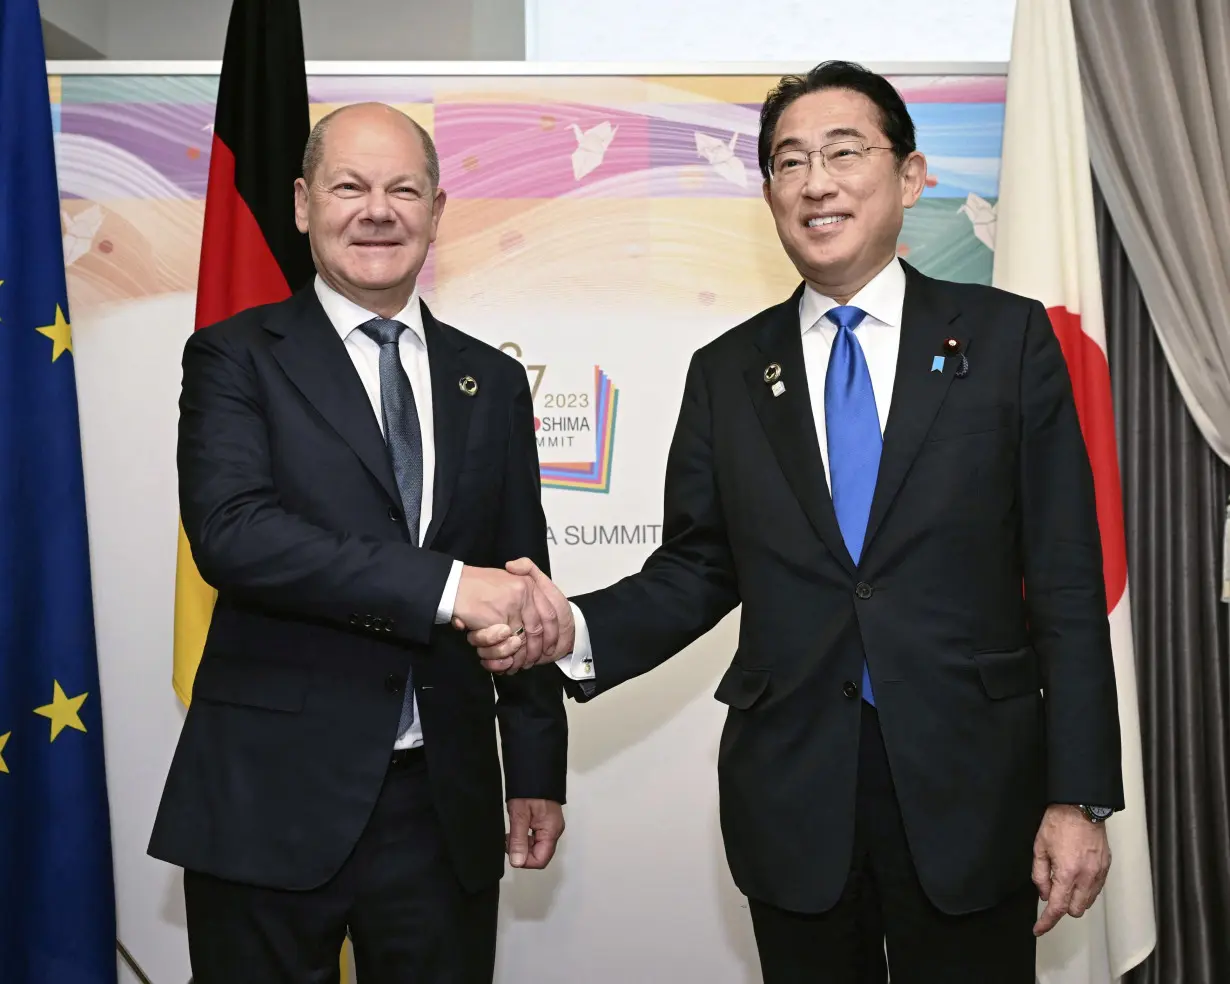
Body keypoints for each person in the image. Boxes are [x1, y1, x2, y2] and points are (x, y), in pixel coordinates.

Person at [467, 62, 1124, 983]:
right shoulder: (728, 372)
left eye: (844, 152)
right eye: (789, 162)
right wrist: (572, 628)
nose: (816, 181)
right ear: (770, 193)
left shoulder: (1008, 341)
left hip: (976, 791)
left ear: (910, 176)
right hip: (796, 796)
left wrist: (1080, 796)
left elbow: (1064, 578)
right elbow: (698, 569)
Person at [149, 102, 569, 984]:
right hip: (269, 798)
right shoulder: (234, 357)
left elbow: (523, 575)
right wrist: (451, 587)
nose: (376, 210)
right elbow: (234, 534)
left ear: (436, 211)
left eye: (402, 189)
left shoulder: (488, 380)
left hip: (441, 803)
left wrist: (533, 766)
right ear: (303, 203)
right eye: (349, 186)